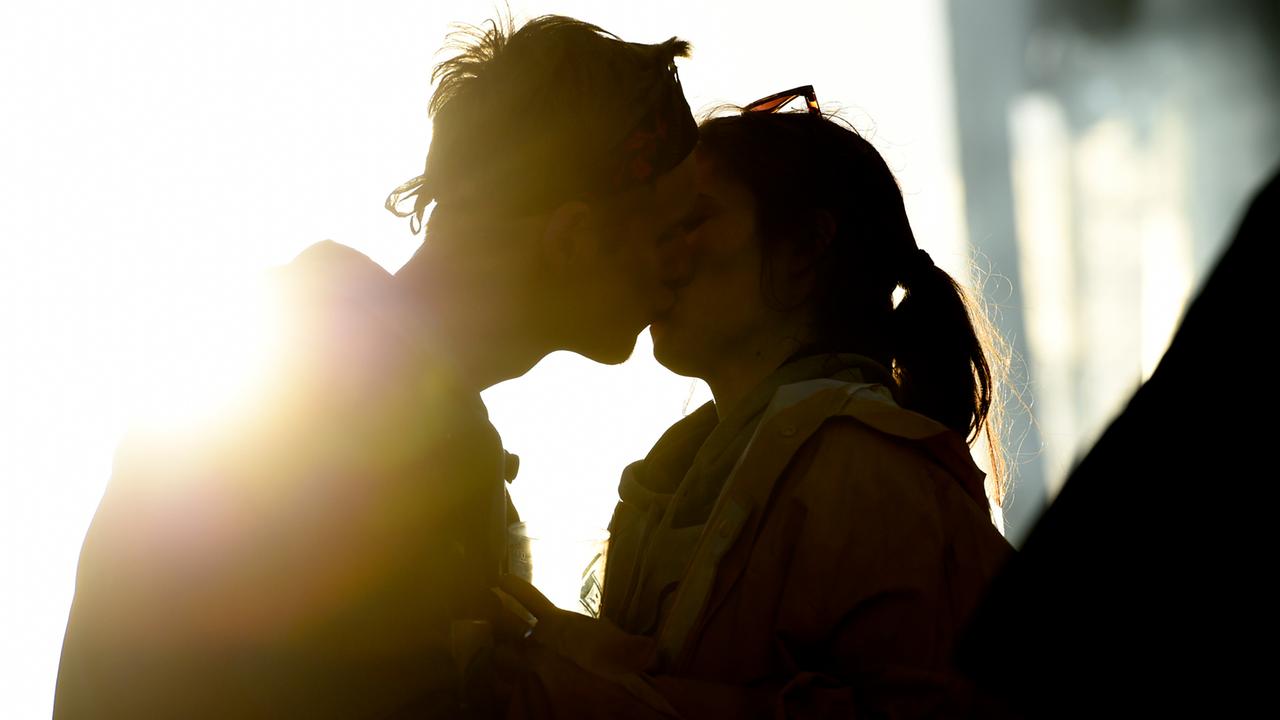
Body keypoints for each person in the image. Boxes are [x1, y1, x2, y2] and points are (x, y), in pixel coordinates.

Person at [53, 15, 698, 719]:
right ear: (572, 240)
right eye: (670, 231)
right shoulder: (350, 422)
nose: (685, 259)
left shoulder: (338, 379)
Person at [501, 89, 1013, 718]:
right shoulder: (683, 481)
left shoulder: (872, 475)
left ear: (804, 248)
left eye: (691, 222)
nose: (660, 253)